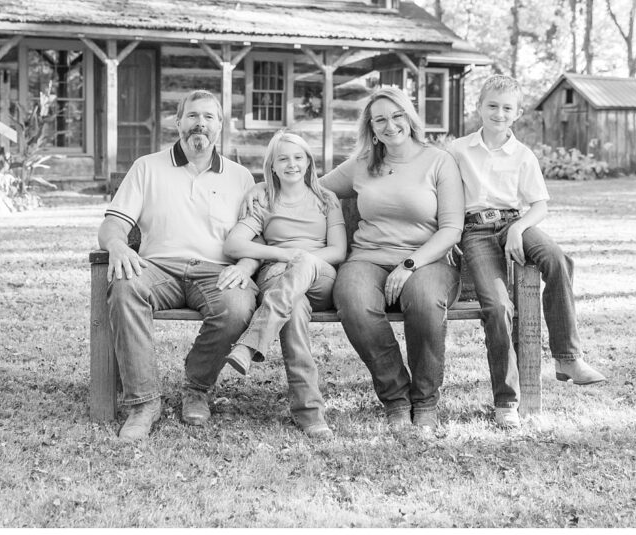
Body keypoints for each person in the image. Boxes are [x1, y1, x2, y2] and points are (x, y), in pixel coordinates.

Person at [99, 90, 259, 442]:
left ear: (220, 125)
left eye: (208, 117)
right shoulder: (147, 167)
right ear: (178, 122)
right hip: (159, 268)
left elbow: (256, 236)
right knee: (126, 287)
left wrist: (247, 266)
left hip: (217, 270)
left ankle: (197, 388)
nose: (200, 123)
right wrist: (116, 246)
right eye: (192, 116)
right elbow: (113, 224)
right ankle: (143, 403)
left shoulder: (240, 177)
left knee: (238, 306)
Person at [448, 76, 607, 430]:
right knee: (498, 305)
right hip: (474, 230)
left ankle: (567, 357)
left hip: (513, 223)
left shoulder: (522, 155)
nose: (499, 113)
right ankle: (506, 401)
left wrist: (518, 229)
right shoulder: (458, 150)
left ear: (518, 113)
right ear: (478, 107)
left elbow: (539, 205)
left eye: (507, 108)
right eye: (492, 105)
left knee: (557, 257)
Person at [323, 86, 464, 431]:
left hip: (428, 262)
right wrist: (261, 188)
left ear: (409, 117)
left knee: (424, 299)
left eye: (397, 115)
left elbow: (451, 229)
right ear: (371, 128)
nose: (390, 125)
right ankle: (397, 398)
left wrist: (409, 265)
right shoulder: (362, 164)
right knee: (353, 298)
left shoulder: (438, 160)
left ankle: (426, 402)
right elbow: (313, 186)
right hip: (368, 259)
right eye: (380, 120)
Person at [221, 130, 347, 439]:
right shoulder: (264, 198)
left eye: (298, 157)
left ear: (308, 162)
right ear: (272, 166)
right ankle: (310, 413)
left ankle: (252, 343)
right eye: (283, 159)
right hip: (278, 277)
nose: (292, 164)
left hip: (321, 277)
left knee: (302, 267)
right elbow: (234, 244)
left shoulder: (325, 199)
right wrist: (284, 254)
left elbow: (338, 251)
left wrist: (302, 259)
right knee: (293, 307)